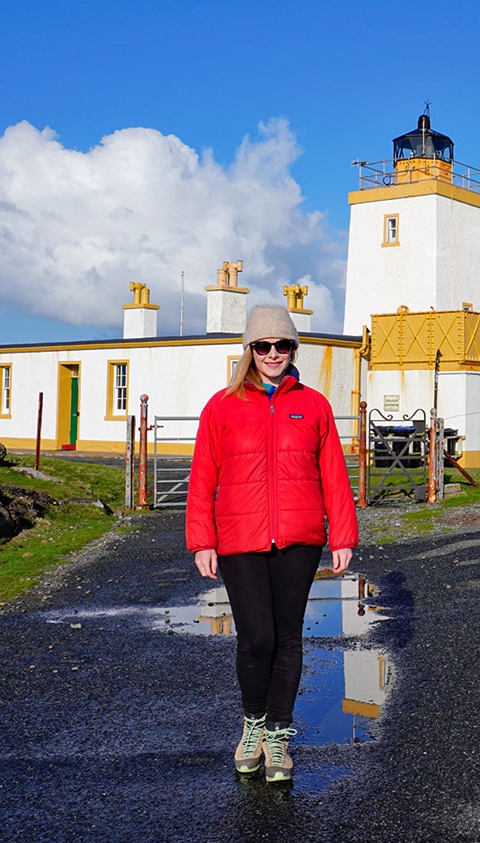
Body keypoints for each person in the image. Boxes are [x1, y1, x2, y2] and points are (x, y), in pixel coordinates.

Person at [186, 304, 358, 783]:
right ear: (250, 351)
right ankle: (253, 726)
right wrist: (202, 539)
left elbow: (333, 475)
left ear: (292, 349)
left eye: (282, 345)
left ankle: (279, 738)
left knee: (288, 638)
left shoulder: (314, 405)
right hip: (239, 539)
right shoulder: (221, 406)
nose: (273, 354)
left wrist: (342, 534)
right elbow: (203, 477)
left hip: (300, 539)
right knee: (256, 638)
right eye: (263, 346)